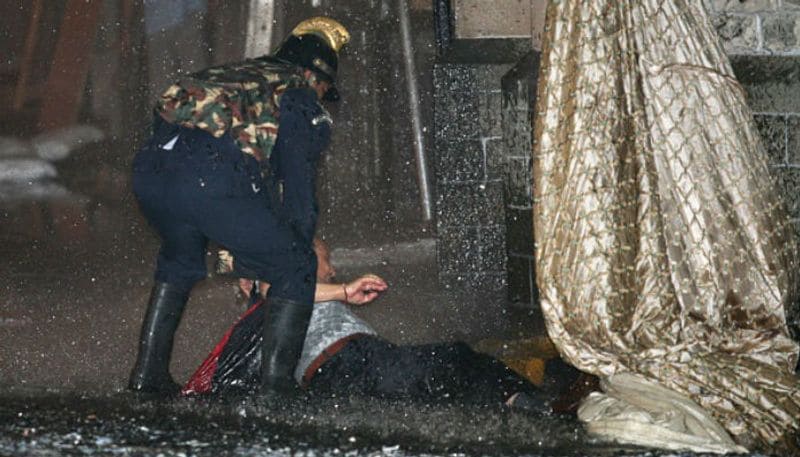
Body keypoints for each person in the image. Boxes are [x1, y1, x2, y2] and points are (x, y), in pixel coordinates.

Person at [129, 17, 353, 395]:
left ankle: (147, 377)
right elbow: (297, 190)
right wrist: (287, 257)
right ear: (318, 77)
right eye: (325, 87)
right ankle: (276, 394)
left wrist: (247, 257)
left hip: (150, 170)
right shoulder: (300, 95)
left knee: (181, 261)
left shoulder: (236, 74)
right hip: (210, 175)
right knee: (295, 263)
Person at [182, 241, 570, 411]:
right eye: (324, 258)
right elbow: (275, 285)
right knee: (457, 358)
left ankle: (525, 404)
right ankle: (543, 407)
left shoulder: (300, 295)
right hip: (353, 361)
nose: (332, 267)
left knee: (452, 385)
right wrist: (344, 289)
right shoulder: (278, 291)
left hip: (347, 373)